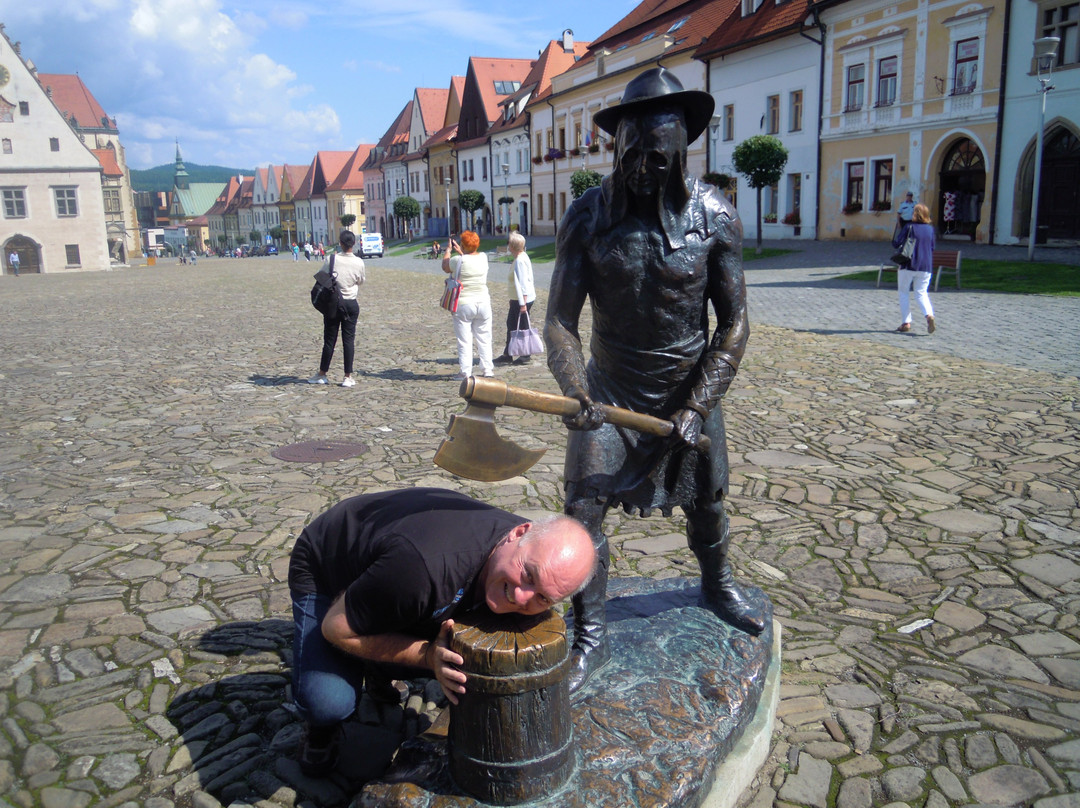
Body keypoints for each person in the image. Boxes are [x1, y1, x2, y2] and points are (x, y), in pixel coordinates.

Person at [544, 67, 767, 694]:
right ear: (616, 146)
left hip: (686, 390)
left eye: (657, 157)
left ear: (681, 152)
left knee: (709, 502)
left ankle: (716, 585)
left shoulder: (717, 218)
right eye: (631, 152)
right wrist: (573, 389)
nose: (642, 167)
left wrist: (698, 407)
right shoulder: (586, 218)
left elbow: (735, 325)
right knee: (582, 510)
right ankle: (588, 632)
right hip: (609, 393)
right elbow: (559, 321)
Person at [288, 487, 596, 777]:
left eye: (543, 598)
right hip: (327, 566)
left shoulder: (530, 550)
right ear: (518, 533)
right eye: (528, 575)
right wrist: (427, 656)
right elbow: (336, 629)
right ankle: (321, 730)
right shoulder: (422, 569)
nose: (521, 597)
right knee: (329, 701)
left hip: (396, 575)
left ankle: (378, 656)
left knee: (462, 636)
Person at [308, 230, 365, 387]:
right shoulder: (359, 262)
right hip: (351, 304)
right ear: (353, 244)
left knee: (329, 340)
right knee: (348, 340)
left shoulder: (331, 259)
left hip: (333, 303)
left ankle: (322, 374)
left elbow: (321, 275)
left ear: (340, 243)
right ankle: (347, 376)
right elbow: (361, 281)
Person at [442, 230, 494, 380]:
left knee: (464, 339)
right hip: (483, 302)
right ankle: (488, 369)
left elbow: (445, 266)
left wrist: (449, 250)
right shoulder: (484, 258)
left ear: (463, 246)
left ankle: (465, 371)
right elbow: (470, 258)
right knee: (484, 337)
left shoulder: (457, 260)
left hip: (464, 303)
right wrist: (462, 251)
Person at [494, 231, 537, 366]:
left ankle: (525, 355)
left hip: (522, 300)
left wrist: (522, 303)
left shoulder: (520, 261)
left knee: (521, 326)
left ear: (512, 246)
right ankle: (509, 353)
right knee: (511, 324)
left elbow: (523, 283)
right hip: (516, 299)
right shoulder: (521, 256)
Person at [892, 202, 936, 334]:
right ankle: (929, 315)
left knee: (904, 292)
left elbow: (897, 243)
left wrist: (897, 230)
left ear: (915, 214)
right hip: (926, 265)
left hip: (908, 263)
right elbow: (932, 247)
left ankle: (906, 322)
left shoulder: (909, 227)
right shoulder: (930, 229)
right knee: (921, 293)